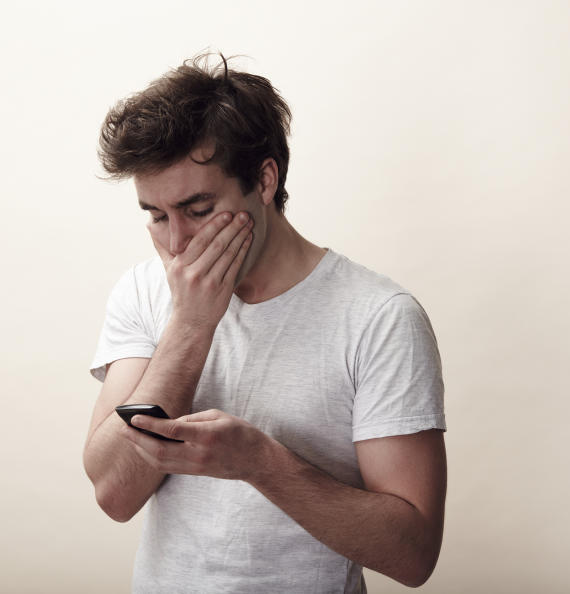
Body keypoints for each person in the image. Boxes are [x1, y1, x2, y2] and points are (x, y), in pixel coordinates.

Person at [83, 53, 447, 593]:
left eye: (199, 209)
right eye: (157, 216)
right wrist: (190, 325)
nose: (177, 244)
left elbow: (413, 555)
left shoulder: (379, 318)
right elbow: (114, 493)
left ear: (265, 179)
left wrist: (261, 463)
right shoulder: (142, 292)